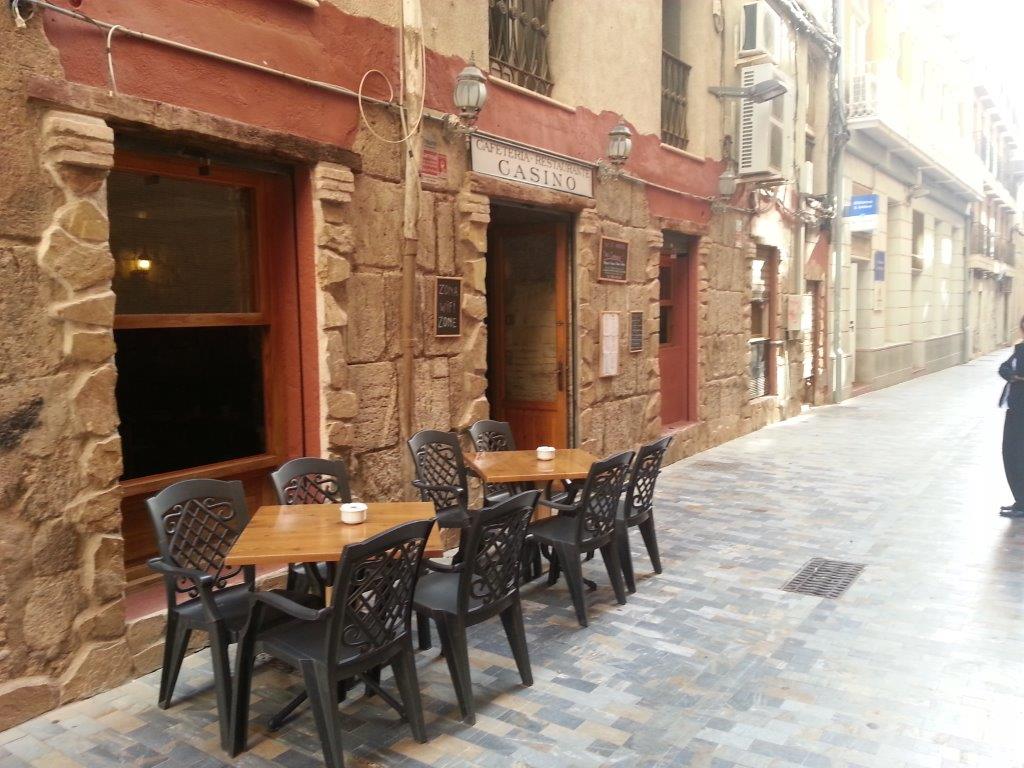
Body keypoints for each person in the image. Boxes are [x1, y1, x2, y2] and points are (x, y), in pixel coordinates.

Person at [998, 316, 1024, 517]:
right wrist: (1014, 375)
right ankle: (1019, 501)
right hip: (1015, 408)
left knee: (1016, 455)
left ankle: (1022, 504)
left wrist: (1016, 375)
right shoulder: (1020, 348)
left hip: (1021, 411)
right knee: (1011, 454)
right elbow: (1004, 368)